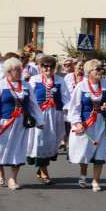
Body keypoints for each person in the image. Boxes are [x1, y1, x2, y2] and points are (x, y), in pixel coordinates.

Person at [0, 56, 44, 190]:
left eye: (20, 69)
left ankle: (12, 179)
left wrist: (39, 120)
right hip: (3, 122)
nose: (20, 72)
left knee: (18, 148)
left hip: (20, 124)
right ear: (9, 71)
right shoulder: (0, 85)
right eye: (17, 70)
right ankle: (0, 170)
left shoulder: (26, 85)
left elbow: (33, 104)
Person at [66, 59, 106, 191]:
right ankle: (83, 174)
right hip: (86, 123)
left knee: (100, 151)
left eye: (101, 69)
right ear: (89, 73)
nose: (101, 71)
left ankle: (95, 181)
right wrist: (77, 123)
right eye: (97, 69)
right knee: (85, 149)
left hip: (100, 122)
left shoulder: (105, 85)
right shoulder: (81, 87)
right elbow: (74, 108)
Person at [27, 55, 68, 185]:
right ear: (40, 67)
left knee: (52, 142)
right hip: (39, 116)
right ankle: (44, 171)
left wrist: (70, 116)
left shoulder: (60, 81)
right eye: (45, 66)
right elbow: (28, 99)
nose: (48, 69)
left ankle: (41, 167)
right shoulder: (34, 80)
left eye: (51, 66)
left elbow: (67, 99)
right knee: (40, 143)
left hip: (55, 116)